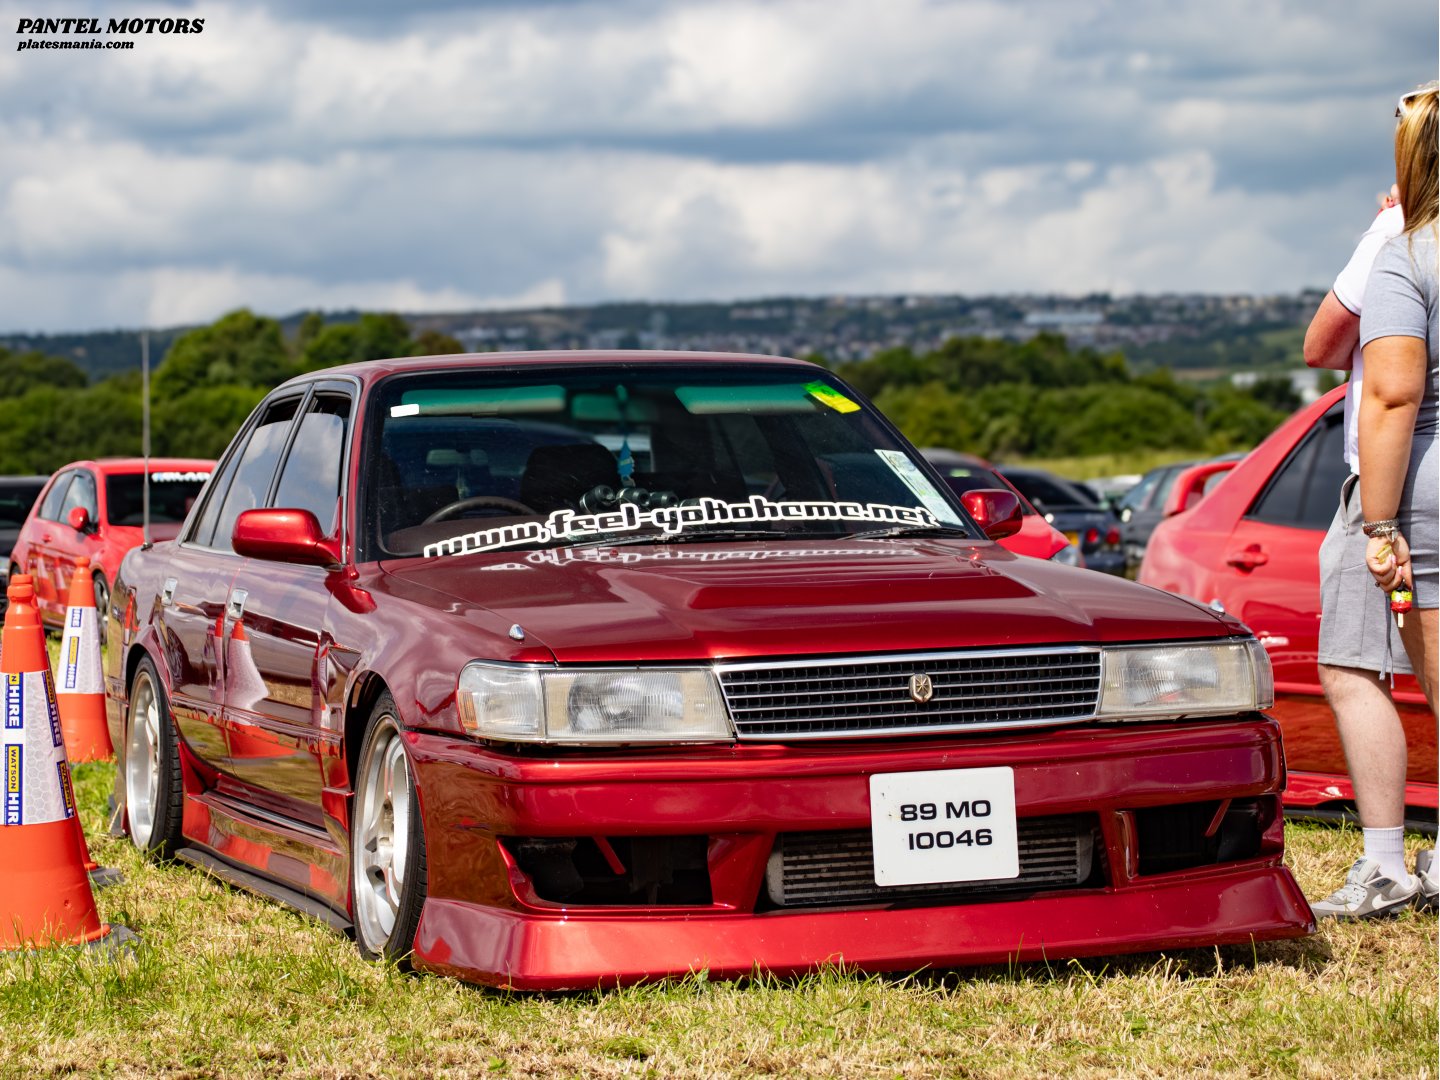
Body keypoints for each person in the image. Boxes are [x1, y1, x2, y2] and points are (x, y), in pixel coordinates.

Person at [1310, 81, 1439, 920]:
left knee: (1353, 666)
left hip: (1411, 484)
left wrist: (1381, 521)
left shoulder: (1404, 248)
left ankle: (1387, 863)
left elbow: (1387, 392)